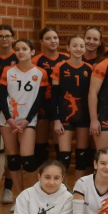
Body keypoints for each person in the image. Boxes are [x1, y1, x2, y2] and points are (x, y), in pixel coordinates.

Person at [0, 38, 46, 202]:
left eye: (24, 48)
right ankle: (19, 197)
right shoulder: (8, 71)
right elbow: (2, 97)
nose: (20, 52)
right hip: (7, 120)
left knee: (28, 159)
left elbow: (39, 99)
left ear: (32, 52)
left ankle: (33, 198)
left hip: (28, 120)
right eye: (17, 49)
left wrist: (27, 120)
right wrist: (9, 119)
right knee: (12, 159)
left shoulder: (40, 73)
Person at [52, 35, 93, 178]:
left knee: (82, 155)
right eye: (75, 46)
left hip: (84, 116)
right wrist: (56, 119)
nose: (78, 49)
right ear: (68, 48)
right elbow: (55, 95)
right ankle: (61, 188)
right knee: (65, 155)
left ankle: (78, 188)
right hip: (65, 116)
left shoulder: (89, 68)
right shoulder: (60, 67)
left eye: (81, 46)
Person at [0, 24, 18, 205]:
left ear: (13, 37)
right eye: (0, 36)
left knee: (10, 152)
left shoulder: (19, 56)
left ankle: (8, 188)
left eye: (7, 36)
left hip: (13, 109)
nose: (4, 39)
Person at [32, 27, 68, 167]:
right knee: (40, 142)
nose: (52, 41)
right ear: (41, 41)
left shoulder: (66, 58)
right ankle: (42, 177)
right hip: (42, 102)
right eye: (48, 38)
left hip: (59, 103)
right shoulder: (36, 60)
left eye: (55, 38)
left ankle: (60, 178)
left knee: (59, 141)